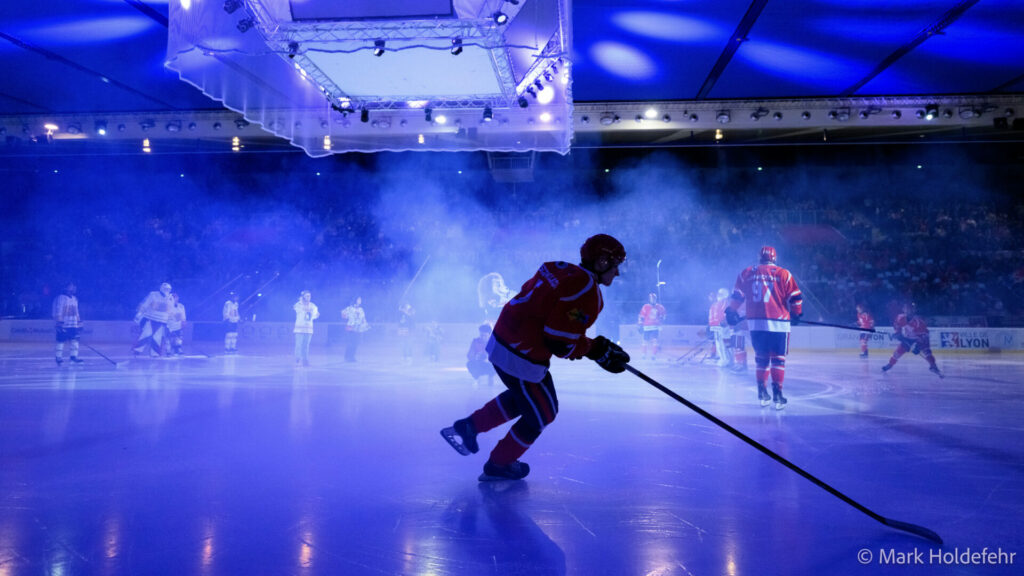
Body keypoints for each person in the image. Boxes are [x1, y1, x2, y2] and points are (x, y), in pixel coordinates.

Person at [441, 234, 630, 481]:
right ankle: (499, 464)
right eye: (615, 265)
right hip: (521, 355)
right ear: (602, 262)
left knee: (527, 400)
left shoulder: (559, 268)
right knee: (542, 412)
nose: (617, 273)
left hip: (503, 339)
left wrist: (593, 347)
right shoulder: (588, 293)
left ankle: (469, 427)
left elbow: (549, 320)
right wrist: (595, 350)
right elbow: (560, 342)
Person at [726, 246, 803, 410]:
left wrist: (731, 310)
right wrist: (796, 314)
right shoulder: (784, 274)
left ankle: (762, 392)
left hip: (756, 323)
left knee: (761, 358)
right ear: (775, 258)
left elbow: (737, 295)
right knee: (778, 359)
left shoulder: (747, 272)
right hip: (779, 323)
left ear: (759, 257)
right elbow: (796, 297)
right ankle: (778, 394)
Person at [882, 302, 943, 378]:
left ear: (913, 310)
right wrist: (897, 333)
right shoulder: (900, 318)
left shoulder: (918, 322)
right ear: (903, 310)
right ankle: (890, 365)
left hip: (921, 338)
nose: (908, 311)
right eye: (906, 309)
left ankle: (933, 366)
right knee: (898, 352)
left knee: (926, 352)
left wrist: (918, 346)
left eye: (910, 309)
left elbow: (923, 336)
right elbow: (897, 327)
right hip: (908, 338)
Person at [133, 282, 175, 357]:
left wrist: (171, 322)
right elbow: (145, 304)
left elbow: (171, 312)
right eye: (165, 289)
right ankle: (137, 350)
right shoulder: (153, 295)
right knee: (145, 335)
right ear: (161, 288)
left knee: (157, 338)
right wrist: (139, 314)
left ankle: (154, 353)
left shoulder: (171, 298)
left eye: (168, 289)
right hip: (151, 319)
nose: (167, 290)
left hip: (162, 321)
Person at [52, 281, 83, 365]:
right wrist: (59, 323)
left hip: (73, 324)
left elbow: (77, 312)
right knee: (61, 340)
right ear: (66, 288)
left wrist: (79, 323)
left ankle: (73, 357)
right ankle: (58, 357)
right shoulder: (61, 298)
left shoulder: (74, 298)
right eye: (71, 286)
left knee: (75, 340)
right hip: (64, 324)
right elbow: (58, 311)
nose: (74, 288)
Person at [637, 291, 666, 361]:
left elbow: (664, 316)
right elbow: (641, 317)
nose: (652, 300)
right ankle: (643, 355)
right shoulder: (645, 306)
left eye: (653, 298)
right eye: (651, 298)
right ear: (649, 299)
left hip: (655, 327)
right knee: (645, 341)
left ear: (656, 299)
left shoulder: (660, 307)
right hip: (646, 327)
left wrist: (662, 319)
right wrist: (640, 325)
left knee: (655, 341)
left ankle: (653, 355)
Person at [293, 290, 319, 366]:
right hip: (299, 329)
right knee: (298, 344)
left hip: (308, 329)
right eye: (307, 296)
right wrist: (302, 303)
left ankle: (305, 360)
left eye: (309, 296)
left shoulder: (313, 306)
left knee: (306, 345)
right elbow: (296, 309)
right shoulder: (298, 304)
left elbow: (315, 315)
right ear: (303, 296)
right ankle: (297, 358)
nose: (309, 297)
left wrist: (316, 315)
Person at [341, 296, 369, 362]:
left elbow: (363, 318)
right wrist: (348, 318)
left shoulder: (361, 309)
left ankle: (352, 356)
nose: (360, 300)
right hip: (351, 327)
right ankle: (347, 356)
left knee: (356, 343)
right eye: (359, 299)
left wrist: (365, 325)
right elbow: (343, 314)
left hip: (358, 328)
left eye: (360, 299)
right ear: (355, 300)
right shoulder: (350, 308)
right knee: (351, 342)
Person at [708, 288, 731, 366]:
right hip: (716, 327)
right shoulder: (716, 304)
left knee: (724, 344)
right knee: (719, 344)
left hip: (723, 327)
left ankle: (727, 360)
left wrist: (724, 322)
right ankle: (723, 359)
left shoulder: (725, 303)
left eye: (720, 294)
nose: (718, 295)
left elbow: (726, 314)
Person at [167, 292, 187, 356]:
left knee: (178, 338)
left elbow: (183, 316)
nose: (175, 298)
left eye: (176, 297)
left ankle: (178, 350)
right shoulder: (167, 306)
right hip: (169, 325)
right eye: (173, 297)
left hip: (178, 325)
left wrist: (183, 321)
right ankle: (168, 351)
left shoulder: (181, 306)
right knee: (169, 338)